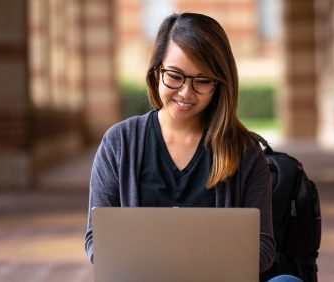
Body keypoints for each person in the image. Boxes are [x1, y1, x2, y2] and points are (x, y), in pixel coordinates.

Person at [85, 12, 302, 282]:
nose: (186, 93)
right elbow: (97, 237)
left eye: (202, 81)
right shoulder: (119, 143)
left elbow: (264, 245)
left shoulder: (244, 151)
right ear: (156, 71)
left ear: (219, 84)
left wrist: (207, 269)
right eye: (174, 76)